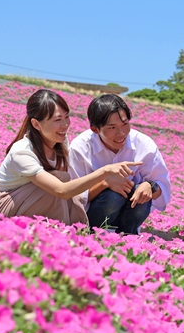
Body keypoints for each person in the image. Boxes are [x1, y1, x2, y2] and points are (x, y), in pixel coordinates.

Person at [0, 89, 142, 225]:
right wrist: (105, 172)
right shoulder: (22, 152)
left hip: (25, 201)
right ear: (36, 124)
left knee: (62, 177)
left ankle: (56, 232)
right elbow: (61, 191)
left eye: (67, 117)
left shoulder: (60, 142)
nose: (65, 125)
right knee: (56, 184)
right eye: (57, 120)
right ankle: (57, 230)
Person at [69, 94, 171, 234]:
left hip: (128, 218)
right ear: (95, 129)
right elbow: (73, 197)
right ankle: (91, 233)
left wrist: (150, 186)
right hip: (90, 217)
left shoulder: (145, 146)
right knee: (114, 195)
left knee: (139, 192)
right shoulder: (80, 148)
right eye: (112, 128)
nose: (121, 133)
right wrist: (105, 183)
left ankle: (128, 237)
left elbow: (162, 191)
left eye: (125, 124)